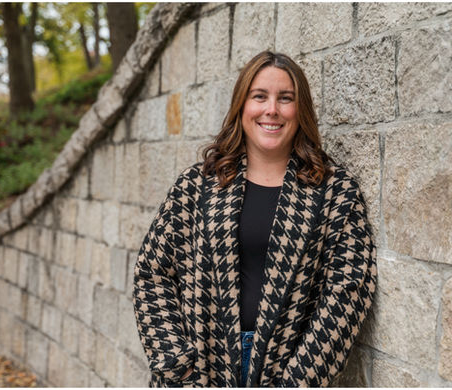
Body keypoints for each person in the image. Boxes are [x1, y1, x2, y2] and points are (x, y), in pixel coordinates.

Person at [132, 51, 377, 387]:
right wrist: (177, 366)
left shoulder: (335, 192)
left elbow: (347, 291)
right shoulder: (197, 185)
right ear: (242, 106)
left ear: (300, 109)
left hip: (288, 372)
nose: (271, 109)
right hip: (200, 370)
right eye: (259, 96)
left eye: (285, 99)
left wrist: (298, 380)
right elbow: (151, 272)